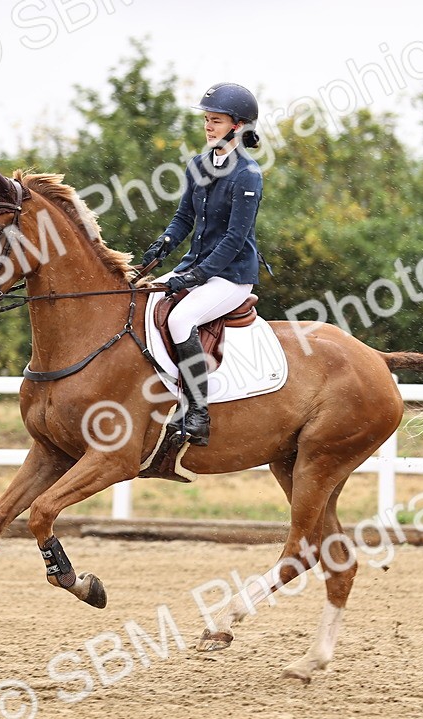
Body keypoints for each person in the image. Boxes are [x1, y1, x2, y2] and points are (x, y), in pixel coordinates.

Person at [142, 82, 264, 447]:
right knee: (141, 298)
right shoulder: (198, 165)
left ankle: (197, 413)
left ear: (238, 126)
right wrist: (163, 244)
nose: (208, 127)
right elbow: (183, 218)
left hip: (232, 276)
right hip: (197, 266)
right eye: (207, 121)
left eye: (216, 121)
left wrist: (195, 276)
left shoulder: (248, 174)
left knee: (181, 319)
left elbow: (235, 238)